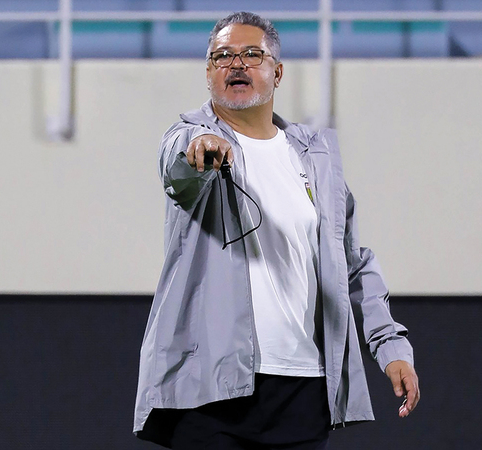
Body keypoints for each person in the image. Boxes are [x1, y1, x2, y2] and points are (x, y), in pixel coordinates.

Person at [134, 11, 419, 450]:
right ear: (209, 73)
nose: (236, 64)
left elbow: (352, 265)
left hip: (304, 390)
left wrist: (390, 347)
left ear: (278, 72)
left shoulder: (315, 158)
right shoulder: (190, 137)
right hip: (213, 393)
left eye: (252, 54)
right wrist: (197, 150)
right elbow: (178, 170)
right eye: (222, 56)